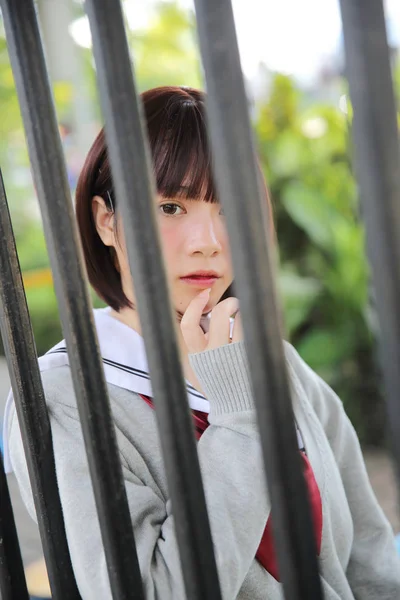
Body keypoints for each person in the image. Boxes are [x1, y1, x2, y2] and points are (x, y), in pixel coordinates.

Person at [3, 85, 400, 599]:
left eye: (229, 208)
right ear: (107, 220)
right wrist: (236, 418)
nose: (208, 241)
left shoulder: (271, 359)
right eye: (171, 207)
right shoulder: (65, 398)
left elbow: (369, 558)